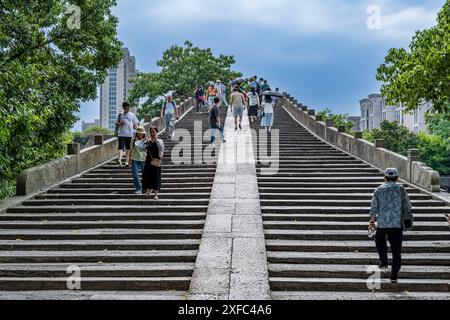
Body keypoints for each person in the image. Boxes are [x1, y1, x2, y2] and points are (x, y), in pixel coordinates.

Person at [369, 168, 412, 283]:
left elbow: (373, 208)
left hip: (382, 223)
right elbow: (408, 206)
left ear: (385, 178)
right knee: (396, 252)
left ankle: (384, 262)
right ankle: (393, 277)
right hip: (397, 224)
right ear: (397, 178)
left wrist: (372, 222)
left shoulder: (378, 190)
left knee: (379, 240)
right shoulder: (401, 189)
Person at [140, 126, 165, 200]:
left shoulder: (159, 141)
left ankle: (156, 194)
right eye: (151, 132)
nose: (152, 133)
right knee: (147, 175)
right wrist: (143, 141)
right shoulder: (148, 141)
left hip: (156, 160)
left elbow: (161, 148)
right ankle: (149, 189)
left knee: (156, 176)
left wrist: (156, 140)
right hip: (148, 160)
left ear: (156, 132)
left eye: (153, 132)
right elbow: (141, 149)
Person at [115, 101, 139, 167]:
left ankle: (126, 162)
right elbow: (116, 123)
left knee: (128, 149)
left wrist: (138, 132)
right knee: (121, 148)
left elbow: (136, 124)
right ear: (123, 108)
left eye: (128, 108)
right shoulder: (120, 115)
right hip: (121, 134)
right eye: (126, 108)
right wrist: (120, 124)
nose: (127, 110)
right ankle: (119, 160)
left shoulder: (132, 115)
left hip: (129, 134)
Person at [128, 126, 147, 194]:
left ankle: (145, 188)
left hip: (143, 159)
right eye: (139, 133)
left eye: (141, 133)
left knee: (145, 175)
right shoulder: (133, 140)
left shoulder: (145, 140)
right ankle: (138, 188)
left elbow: (146, 150)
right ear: (136, 133)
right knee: (135, 174)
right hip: (135, 159)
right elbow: (130, 150)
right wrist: (129, 161)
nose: (140, 134)